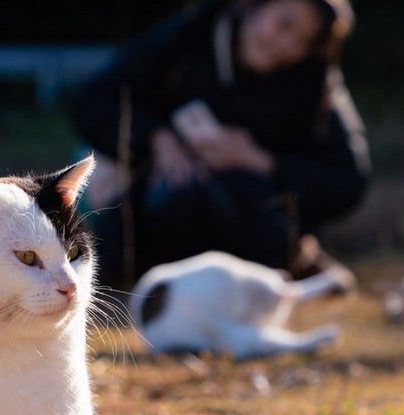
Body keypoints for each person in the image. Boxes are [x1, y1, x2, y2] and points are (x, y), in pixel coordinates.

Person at [71, 0, 369, 288]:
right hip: (158, 193)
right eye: (284, 23)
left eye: (304, 40)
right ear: (253, 5)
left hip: (250, 214)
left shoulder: (316, 78)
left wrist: (259, 160)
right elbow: (93, 99)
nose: (287, 44)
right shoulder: (189, 35)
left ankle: (299, 258)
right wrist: (155, 138)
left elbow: (347, 177)